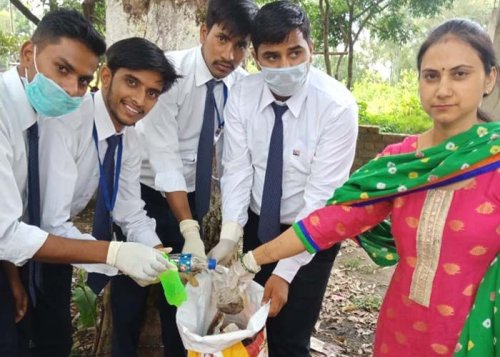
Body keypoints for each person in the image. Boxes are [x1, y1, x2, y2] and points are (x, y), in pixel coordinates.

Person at [231, 18, 500, 357]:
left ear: (490, 78)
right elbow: (329, 221)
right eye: (431, 75)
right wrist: (252, 260)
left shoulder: (495, 164)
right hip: (400, 330)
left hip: (477, 333)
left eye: (460, 74)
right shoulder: (398, 164)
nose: (443, 89)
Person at [0, 9, 174, 356]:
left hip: (46, 248)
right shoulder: (65, 117)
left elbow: (129, 209)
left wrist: (162, 261)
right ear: (107, 77)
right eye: (132, 83)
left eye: (153, 93)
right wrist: (115, 254)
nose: (140, 100)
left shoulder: (130, 139)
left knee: (52, 339)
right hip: (38, 238)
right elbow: (40, 223)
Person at [210, 2, 359, 356]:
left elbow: (320, 200)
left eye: (295, 52)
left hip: (312, 230)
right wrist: (231, 234)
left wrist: (286, 272)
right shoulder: (243, 96)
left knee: (291, 338)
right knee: (250, 326)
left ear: (311, 47)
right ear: (256, 58)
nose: (285, 66)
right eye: (272, 57)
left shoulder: (337, 107)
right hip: (261, 226)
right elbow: (238, 169)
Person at [128, 0, 258, 355]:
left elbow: (235, 165)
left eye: (241, 45)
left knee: (183, 294)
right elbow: (165, 159)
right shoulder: (168, 75)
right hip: (144, 195)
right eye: (222, 39)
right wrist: (189, 230)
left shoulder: (243, 88)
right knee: (132, 293)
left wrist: (230, 233)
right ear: (204, 32)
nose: (230, 55)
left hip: (192, 197)